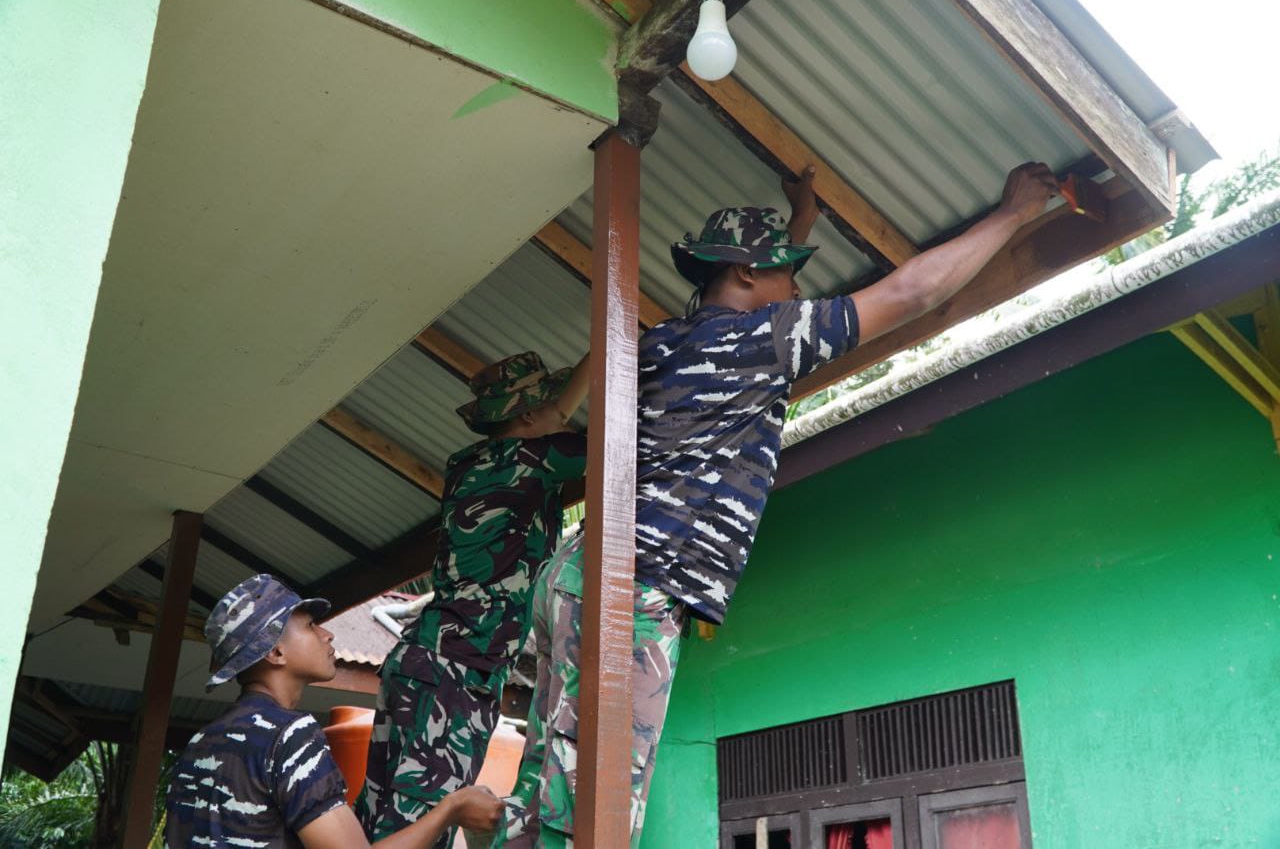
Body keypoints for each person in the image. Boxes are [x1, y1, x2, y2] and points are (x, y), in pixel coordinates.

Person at [495, 162, 1061, 847]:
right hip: (632, 588)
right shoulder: (760, 341)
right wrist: (1016, 214)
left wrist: (798, 225)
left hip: (578, 574)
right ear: (743, 277)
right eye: (786, 274)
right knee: (595, 806)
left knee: (543, 792)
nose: (798, 291)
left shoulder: (667, 343)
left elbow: (751, 291)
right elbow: (912, 291)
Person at [356, 351, 591, 845]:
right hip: (452, 672)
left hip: (429, 664)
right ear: (529, 415)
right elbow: (615, 442)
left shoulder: (470, 463)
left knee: (383, 824)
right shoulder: (531, 459)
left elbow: (560, 417)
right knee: (421, 829)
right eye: (549, 406)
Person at [164, 574, 502, 848]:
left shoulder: (200, 743)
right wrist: (451, 808)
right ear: (276, 652)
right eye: (310, 625)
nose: (327, 634)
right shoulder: (288, 735)